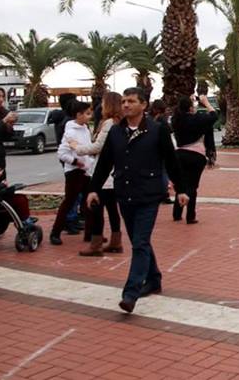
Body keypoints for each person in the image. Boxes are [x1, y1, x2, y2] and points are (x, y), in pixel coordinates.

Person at [87, 87, 184, 314]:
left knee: (139, 242)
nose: (126, 105)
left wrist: (182, 189)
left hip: (149, 194)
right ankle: (154, 279)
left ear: (144, 105)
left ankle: (131, 293)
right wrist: (93, 189)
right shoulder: (116, 131)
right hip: (125, 193)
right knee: (140, 241)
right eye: (123, 101)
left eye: (131, 101)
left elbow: (171, 161)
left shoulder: (157, 130)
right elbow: (105, 163)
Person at [67, 92, 123, 256]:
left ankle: (96, 244)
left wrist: (77, 147)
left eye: (104, 103)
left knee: (96, 208)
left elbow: (98, 147)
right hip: (113, 173)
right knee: (112, 209)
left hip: (104, 174)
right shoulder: (120, 122)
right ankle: (115, 241)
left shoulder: (109, 123)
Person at [50, 101, 95, 246]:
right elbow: (62, 153)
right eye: (87, 113)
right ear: (78, 114)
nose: (90, 116)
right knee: (69, 202)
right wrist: (75, 162)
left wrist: (89, 162)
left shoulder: (86, 129)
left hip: (86, 171)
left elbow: (88, 149)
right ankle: (55, 233)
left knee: (88, 203)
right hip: (74, 172)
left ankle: (90, 234)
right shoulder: (70, 132)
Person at [171, 95, 217, 224]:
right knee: (192, 186)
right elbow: (214, 116)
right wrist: (206, 102)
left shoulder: (176, 119)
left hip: (179, 154)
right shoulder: (196, 119)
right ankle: (190, 216)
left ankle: (177, 213)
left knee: (180, 184)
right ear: (191, 108)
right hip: (196, 155)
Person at [149, 100, 174, 205]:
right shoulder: (162, 120)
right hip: (161, 148)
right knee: (163, 171)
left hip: (151, 148)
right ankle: (164, 195)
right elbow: (170, 130)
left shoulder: (148, 118)